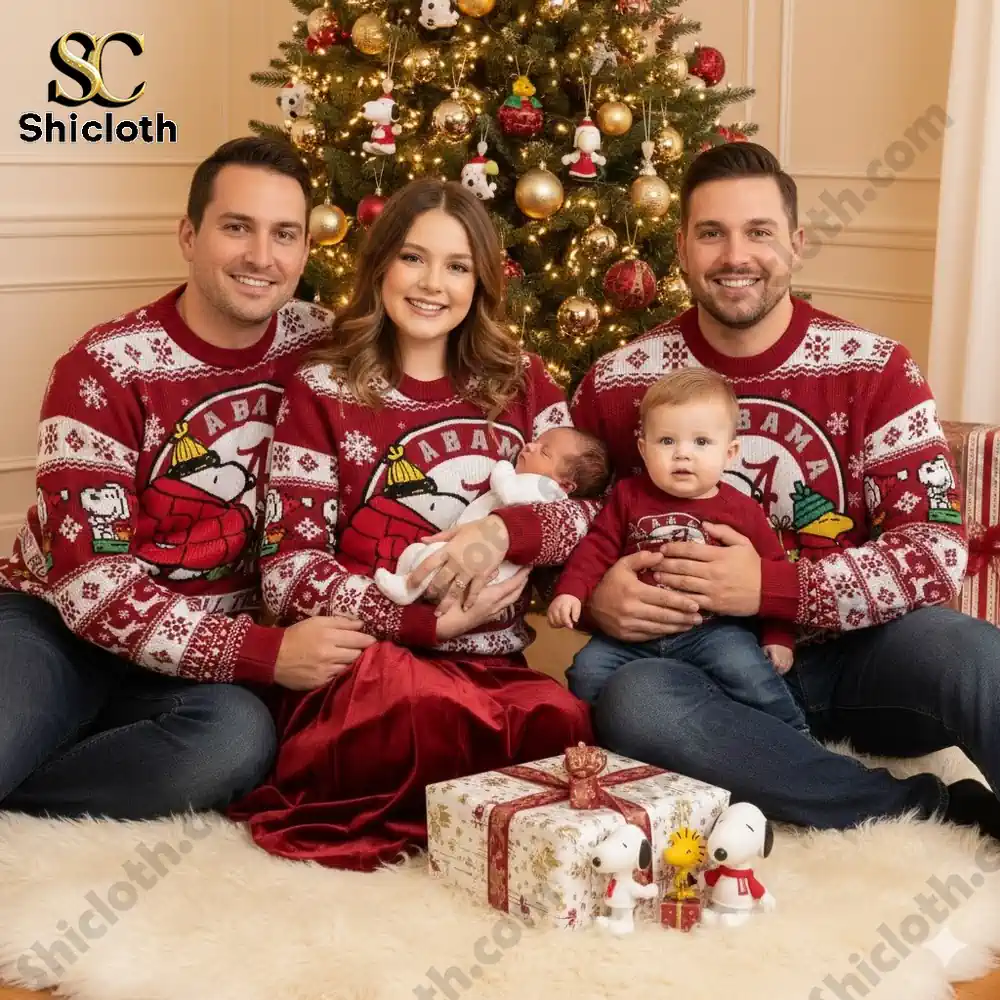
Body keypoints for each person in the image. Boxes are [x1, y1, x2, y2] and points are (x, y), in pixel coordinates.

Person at [415, 142, 1000, 841]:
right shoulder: (620, 380)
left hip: (856, 662)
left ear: (796, 244)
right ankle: (919, 808)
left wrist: (774, 590)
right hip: (693, 672)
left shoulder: (876, 369)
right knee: (633, 704)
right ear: (682, 249)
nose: (736, 255)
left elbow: (935, 550)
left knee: (971, 652)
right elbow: (569, 518)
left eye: (759, 231)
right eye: (712, 233)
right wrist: (596, 600)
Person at [0, 137, 377, 821]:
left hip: (191, 666)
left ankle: (33, 778)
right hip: (56, 628)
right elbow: (91, 586)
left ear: (304, 251)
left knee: (234, 742)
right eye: (237, 227)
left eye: (284, 234)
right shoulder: (106, 369)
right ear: (189, 236)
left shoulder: (326, 350)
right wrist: (269, 653)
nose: (261, 256)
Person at [226, 178, 593, 871]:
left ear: (480, 283)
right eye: (413, 258)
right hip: (372, 662)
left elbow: (588, 514)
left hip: (491, 666)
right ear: (381, 264)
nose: (432, 285)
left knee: (563, 720)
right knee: (415, 704)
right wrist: (422, 623)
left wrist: (504, 533)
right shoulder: (322, 388)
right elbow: (288, 571)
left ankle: (473, 817)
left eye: (457, 266)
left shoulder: (522, 381)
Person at [549, 368, 808, 737]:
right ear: (643, 448)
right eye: (667, 441)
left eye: (701, 442)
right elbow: (596, 547)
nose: (683, 454)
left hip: (712, 630)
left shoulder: (742, 510)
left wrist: (778, 637)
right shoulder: (628, 496)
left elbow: (771, 575)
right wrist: (571, 591)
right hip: (632, 633)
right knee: (586, 670)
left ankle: (796, 735)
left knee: (748, 671)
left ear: (729, 453)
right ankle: (595, 747)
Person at [375, 424, 609, 604]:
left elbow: (508, 491)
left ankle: (407, 590)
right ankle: (404, 581)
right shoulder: (541, 485)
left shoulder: (545, 489)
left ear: (566, 485)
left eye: (544, 452)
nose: (530, 446)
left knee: (433, 557)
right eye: (536, 442)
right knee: (417, 552)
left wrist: (503, 467)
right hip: (472, 556)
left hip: (482, 568)